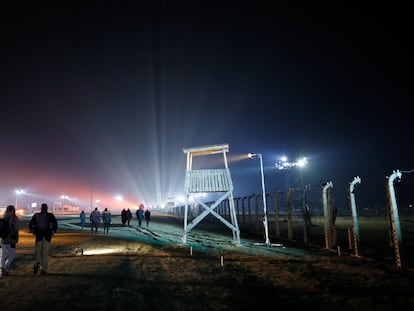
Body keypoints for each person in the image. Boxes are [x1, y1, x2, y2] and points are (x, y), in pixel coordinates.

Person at [29, 203, 58, 275]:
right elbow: (55, 224)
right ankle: (44, 269)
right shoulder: (50, 215)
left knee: (38, 251)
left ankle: (37, 262)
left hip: (39, 236)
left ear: (41, 208)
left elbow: (31, 224)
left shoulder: (36, 215)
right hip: (47, 236)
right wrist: (53, 230)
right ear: (47, 208)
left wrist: (33, 230)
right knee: (45, 252)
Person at [0, 205, 19, 277]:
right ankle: (6, 267)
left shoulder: (3, 218)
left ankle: (1, 271)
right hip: (11, 240)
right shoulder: (14, 218)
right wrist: (17, 238)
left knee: (2, 255)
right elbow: (16, 230)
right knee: (12, 254)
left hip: (2, 240)